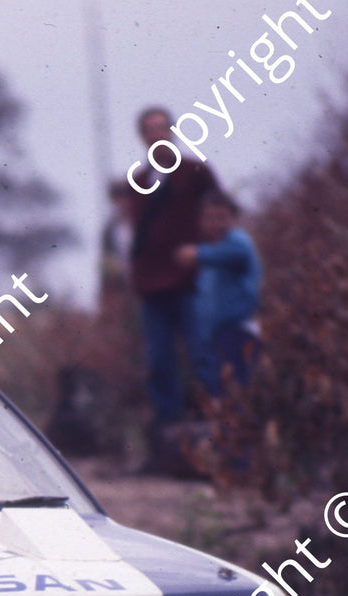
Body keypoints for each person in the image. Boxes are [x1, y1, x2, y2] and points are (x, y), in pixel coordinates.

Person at [127, 107, 221, 432]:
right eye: (149, 129)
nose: (156, 134)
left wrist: (203, 251)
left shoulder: (194, 172)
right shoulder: (139, 181)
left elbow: (220, 213)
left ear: (172, 131)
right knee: (159, 359)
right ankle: (168, 424)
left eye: (161, 127)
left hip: (190, 278)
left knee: (202, 351)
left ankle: (217, 418)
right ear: (143, 136)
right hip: (152, 282)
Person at [176, 191, 262, 394]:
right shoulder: (209, 255)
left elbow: (234, 255)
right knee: (220, 388)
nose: (216, 224)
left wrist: (198, 254)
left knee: (239, 387)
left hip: (238, 330)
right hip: (214, 335)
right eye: (210, 218)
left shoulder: (238, 242)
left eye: (222, 218)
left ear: (233, 218)